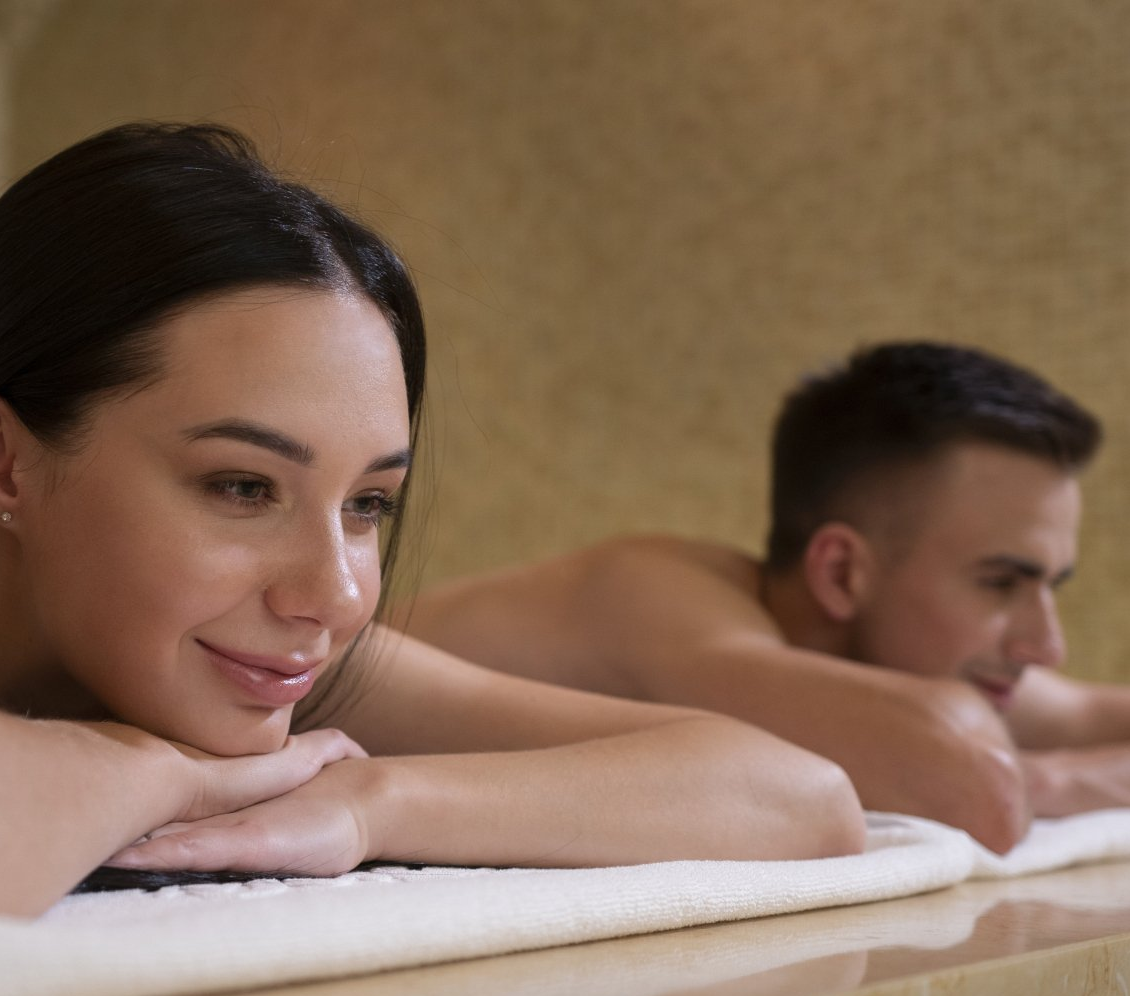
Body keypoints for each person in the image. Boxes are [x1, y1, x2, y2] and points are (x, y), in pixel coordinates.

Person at [0, 123, 866, 919]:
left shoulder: (279, 662)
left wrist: (373, 803)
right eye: (241, 487)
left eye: (368, 504)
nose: (333, 595)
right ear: (8, 467)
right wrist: (163, 776)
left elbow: (797, 798)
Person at [399, 342, 1128, 855]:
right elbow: (978, 792)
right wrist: (1051, 776)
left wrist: (1047, 768)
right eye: (1001, 583)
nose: (1046, 646)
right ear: (842, 573)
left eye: (1050, 587)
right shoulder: (661, 603)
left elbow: (1089, 714)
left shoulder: (928, 669)